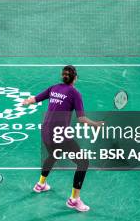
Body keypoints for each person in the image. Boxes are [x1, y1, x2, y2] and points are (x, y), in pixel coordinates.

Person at [23, 66, 104, 212]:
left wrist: (26, 101)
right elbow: (81, 119)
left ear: (63, 77)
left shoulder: (54, 88)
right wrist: (95, 124)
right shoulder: (75, 93)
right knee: (83, 162)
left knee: (54, 154)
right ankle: (74, 200)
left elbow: (34, 99)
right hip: (58, 134)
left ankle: (40, 184)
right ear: (75, 78)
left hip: (46, 131)